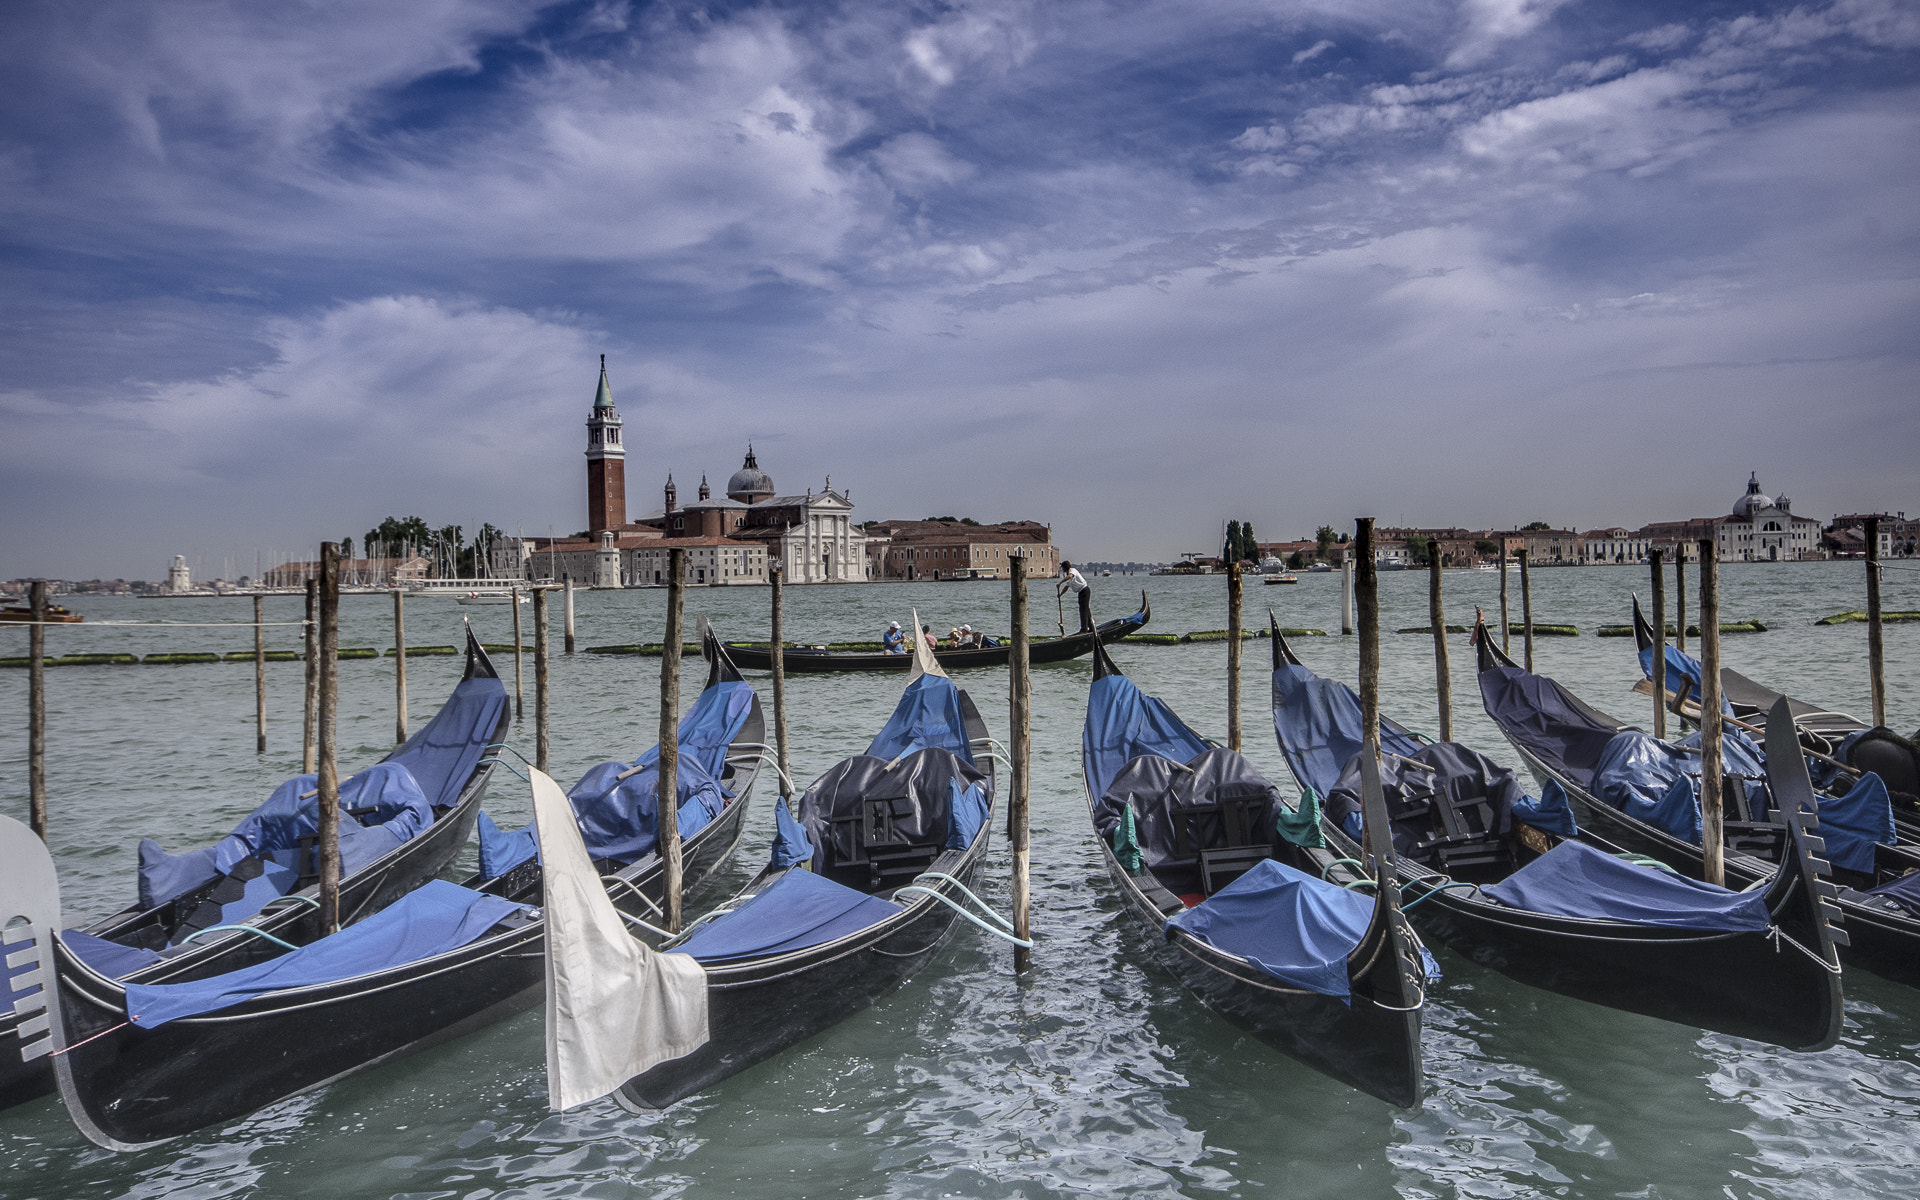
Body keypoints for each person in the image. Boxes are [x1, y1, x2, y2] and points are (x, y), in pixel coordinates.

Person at [1059, 559, 1092, 632]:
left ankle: (1084, 629)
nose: (1062, 569)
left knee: (1083, 610)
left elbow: (1070, 576)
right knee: (1085, 609)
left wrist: (1060, 583)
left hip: (1084, 590)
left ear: (1065, 567)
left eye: (1063, 568)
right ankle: (1091, 626)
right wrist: (1060, 594)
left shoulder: (1072, 570)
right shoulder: (1067, 574)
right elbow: (1067, 586)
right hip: (1080, 592)